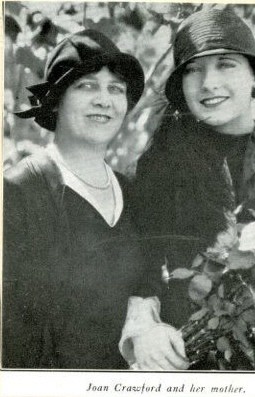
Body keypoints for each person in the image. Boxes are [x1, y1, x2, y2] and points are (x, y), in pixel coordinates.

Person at [119, 8, 255, 370]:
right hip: (194, 360)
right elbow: (140, 265)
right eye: (193, 70)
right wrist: (145, 331)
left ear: (253, 75)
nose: (208, 82)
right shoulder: (162, 162)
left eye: (226, 65)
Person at [2, 29, 148, 369]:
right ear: (56, 98)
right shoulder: (18, 191)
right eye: (87, 86)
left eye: (116, 89)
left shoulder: (130, 193)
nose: (104, 99)